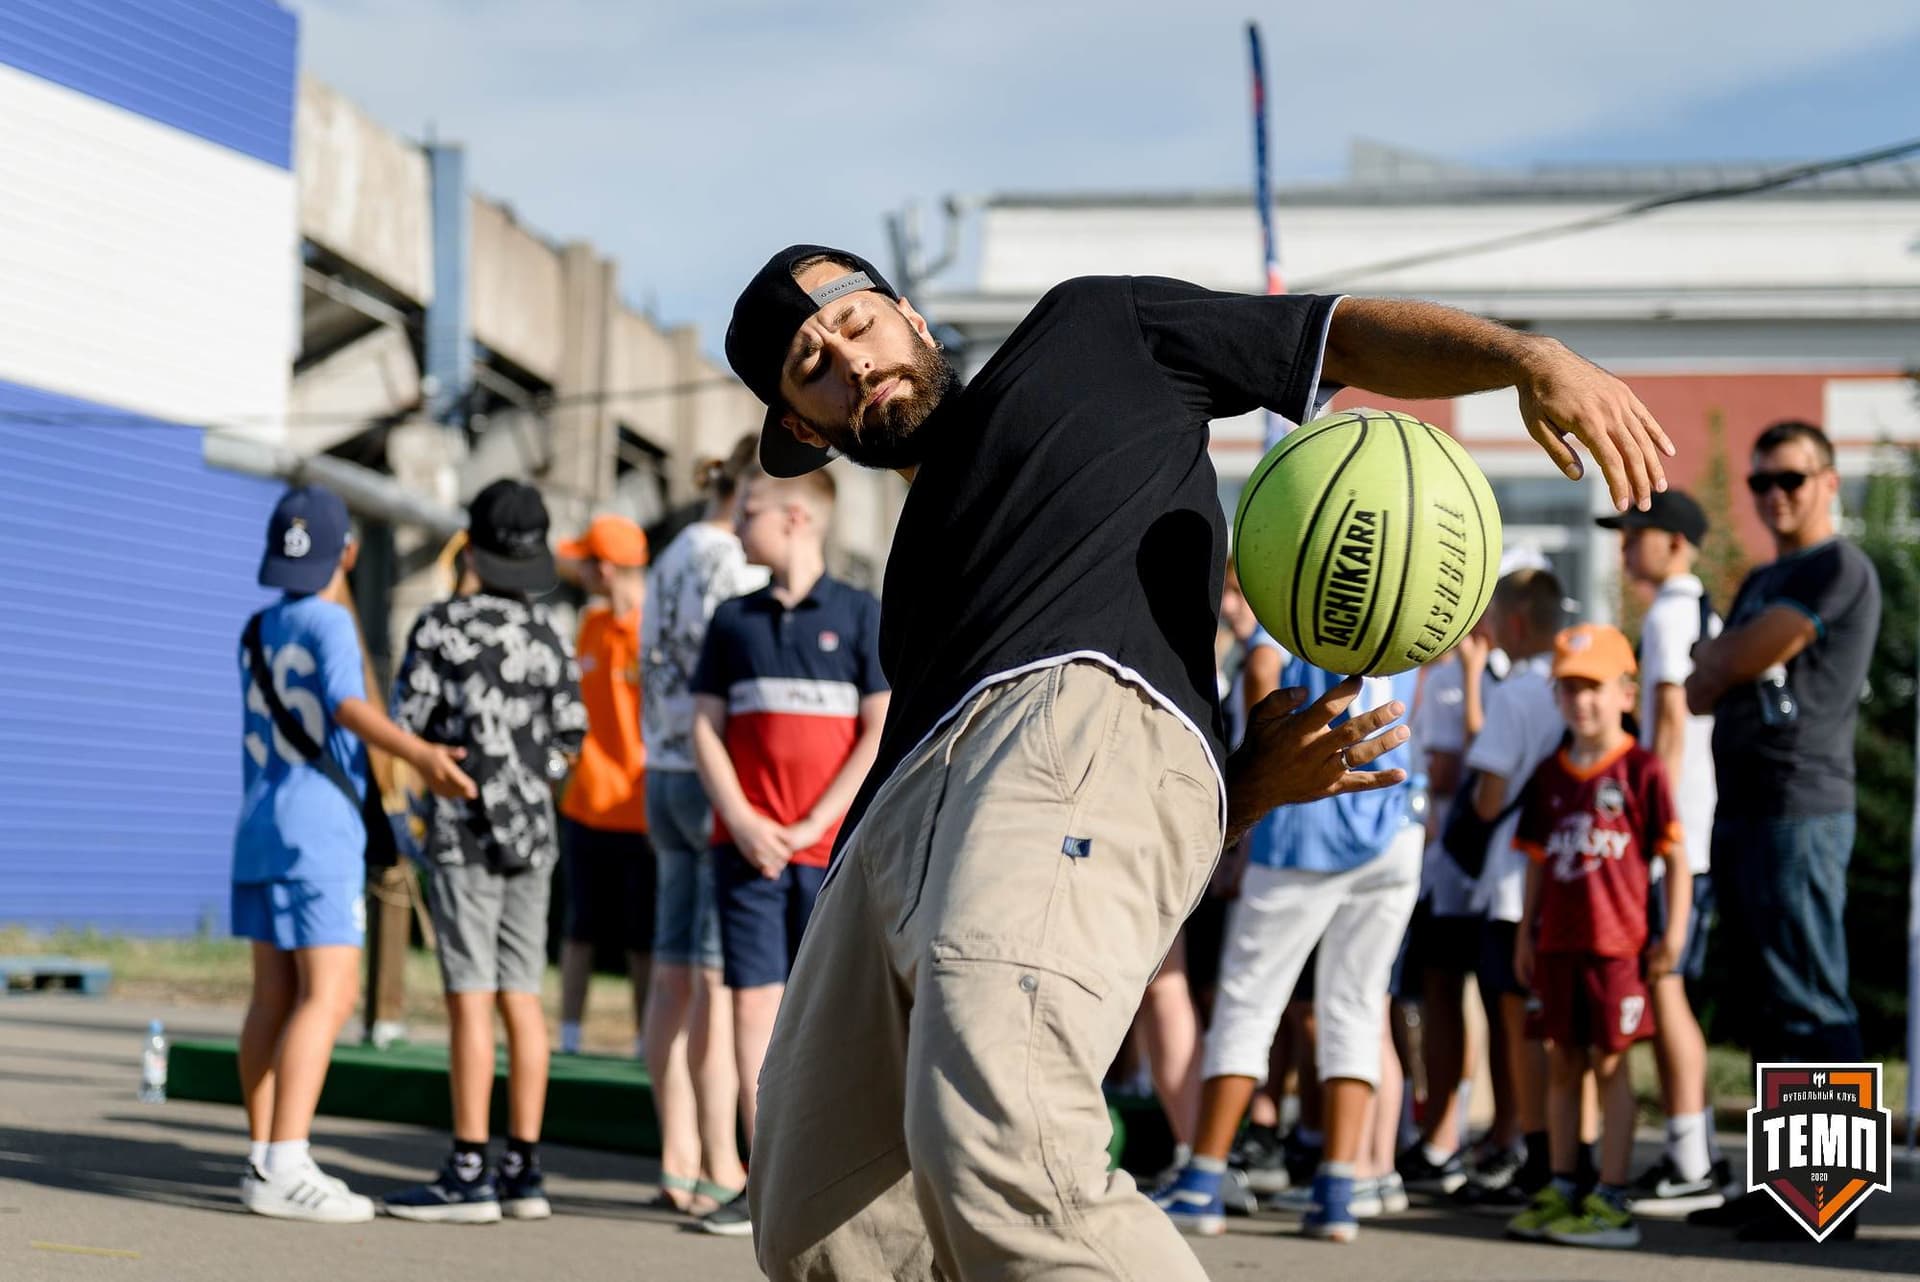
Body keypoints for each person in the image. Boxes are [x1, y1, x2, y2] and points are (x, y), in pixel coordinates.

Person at [724, 242, 1673, 1280]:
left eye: (854, 324)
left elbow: (1336, 332)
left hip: (1062, 719)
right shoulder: (916, 561)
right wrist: (1244, 784)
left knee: (1008, 1146)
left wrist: (1521, 357)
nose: (850, 361)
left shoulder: (1090, 331)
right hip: (898, 811)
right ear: (805, 431)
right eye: (812, 366)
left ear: (906, 312)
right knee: (820, 1225)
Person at [233, 485, 475, 1223]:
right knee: (330, 994)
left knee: (272, 997)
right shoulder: (332, 622)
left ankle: (262, 1155)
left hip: (258, 825)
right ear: (350, 552)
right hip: (319, 832)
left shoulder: (257, 627)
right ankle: (288, 1160)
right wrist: (424, 756)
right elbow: (345, 703)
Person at [1684, 419, 1881, 1240]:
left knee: (1808, 994)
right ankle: (1787, 1190)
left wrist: (1723, 655)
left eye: (1790, 481)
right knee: (1771, 1001)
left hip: (1801, 805)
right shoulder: (1764, 578)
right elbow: (1699, 690)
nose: (1773, 497)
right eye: (1761, 484)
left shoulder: (1839, 566)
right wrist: (1726, 657)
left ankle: (1826, 1204)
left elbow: (1722, 665)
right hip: (1747, 803)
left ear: (1828, 483)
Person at [1156, 640, 1421, 1242]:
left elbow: (1261, 665)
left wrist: (1253, 773)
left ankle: (1202, 1180)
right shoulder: (1411, 570)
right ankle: (1337, 1192)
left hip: (1310, 815)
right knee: (1354, 1006)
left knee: (1249, 1001)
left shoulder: (1306, 575)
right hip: (1395, 815)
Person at [689, 468, 889, 1237]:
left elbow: (877, 730)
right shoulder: (733, 620)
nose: (738, 524)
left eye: (751, 512)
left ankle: (831, 1178)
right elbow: (705, 728)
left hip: (827, 858)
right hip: (745, 852)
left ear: (799, 518)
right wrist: (743, 820)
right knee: (751, 1009)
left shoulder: (860, 614)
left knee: (834, 1013)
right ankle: (761, 1174)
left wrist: (811, 826)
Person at [384, 480, 587, 1224]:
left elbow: (407, 723)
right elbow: (572, 733)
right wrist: (530, 783)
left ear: (470, 544)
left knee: (470, 997)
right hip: (533, 835)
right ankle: (523, 1170)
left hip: (463, 831)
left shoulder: (441, 628)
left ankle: (468, 1167)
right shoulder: (548, 634)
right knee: (521, 997)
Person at [1506, 623, 1688, 1250]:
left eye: (1593, 688)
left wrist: (1676, 932)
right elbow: (1534, 860)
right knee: (1563, 1063)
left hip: (1617, 949)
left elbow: (1677, 859)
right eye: (1568, 689)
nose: (1580, 701)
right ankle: (1563, 1185)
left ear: (1626, 693)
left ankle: (1612, 1195)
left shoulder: (1642, 770)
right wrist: (1526, 932)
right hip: (1556, 944)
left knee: (1611, 1066)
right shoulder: (1549, 775)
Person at [638, 438, 766, 1215]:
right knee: (717, 981)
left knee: (673, 969)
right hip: (718, 771)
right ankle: (722, 1157)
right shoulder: (736, 565)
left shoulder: (670, 555)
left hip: (662, 762)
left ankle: (676, 1150)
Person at [1594, 491, 1729, 1213]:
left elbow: (1670, 724)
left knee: (1666, 984)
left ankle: (1690, 1160)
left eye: (1637, 534)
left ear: (1674, 542)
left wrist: (1655, 831)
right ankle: (1693, 1150)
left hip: (1677, 836)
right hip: (1693, 832)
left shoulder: (1675, 611)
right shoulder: (1695, 606)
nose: (1624, 547)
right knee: (1670, 986)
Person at [1457, 568, 1574, 1209]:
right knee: (1557, 1027)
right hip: (1565, 877)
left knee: (1515, 1026)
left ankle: (1526, 1149)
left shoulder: (1515, 695)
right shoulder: (1575, 688)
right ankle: (1561, 1153)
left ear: (1518, 623)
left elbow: (1490, 797)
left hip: (1510, 884)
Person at [553, 514, 654, 1057]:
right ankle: (568, 1036)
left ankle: (644, 1041)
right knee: (580, 927)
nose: (579, 569)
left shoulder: (652, 629)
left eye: (587, 560)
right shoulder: (589, 627)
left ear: (606, 568)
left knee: (642, 936)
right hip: (587, 802)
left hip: (639, 807)